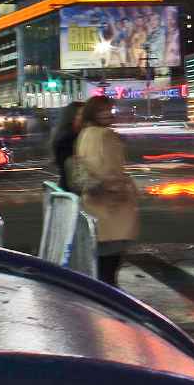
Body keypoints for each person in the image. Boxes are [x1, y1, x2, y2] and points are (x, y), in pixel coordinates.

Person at [72, 95, 139, 283]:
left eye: (109, 109)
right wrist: (123, 189)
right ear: (94, 113)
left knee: (101, 265)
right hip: (112, 207)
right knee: (110, 267)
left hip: (93, 204)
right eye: (103, 110)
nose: (109, 114)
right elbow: (111, 170)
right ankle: (109, 309)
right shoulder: (106, 135)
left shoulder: (84, 134)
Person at [50, 100, 86, 189]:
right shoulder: (68, 139)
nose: (86, 117)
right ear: (72, 116)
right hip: (74, 189)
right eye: (82, 114)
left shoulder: (63, 135)